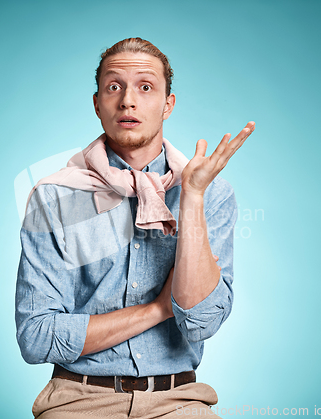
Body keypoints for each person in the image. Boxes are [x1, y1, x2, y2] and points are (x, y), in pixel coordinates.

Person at [15, 37, 255, 418]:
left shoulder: (213, 194)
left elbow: (200, 321)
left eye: (146, 87)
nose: (128, 100)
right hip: (78, 401)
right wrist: (159, 309)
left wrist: (191, 196)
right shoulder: (54, 197)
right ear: (97, 104)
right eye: (114, 87)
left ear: (167, 105)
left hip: (179, 401)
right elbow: (37, 337)